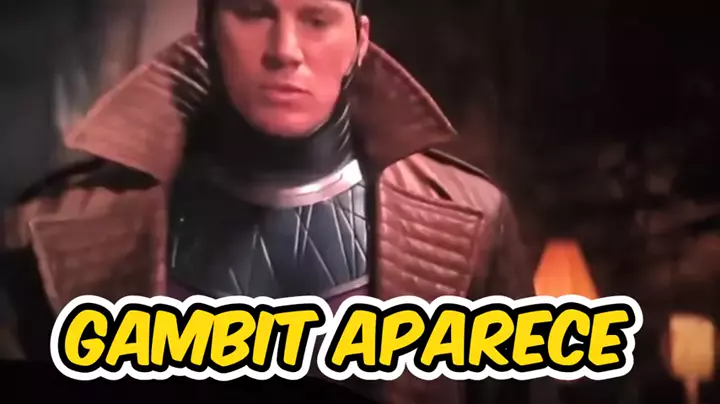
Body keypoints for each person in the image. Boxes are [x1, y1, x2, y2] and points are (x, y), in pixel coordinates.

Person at [0, 0, 540, 402]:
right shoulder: (46, 229)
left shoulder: (473, 221)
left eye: (317, 19)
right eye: (254, 12)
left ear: (359, 41)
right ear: (206, 28)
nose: (284, 51)